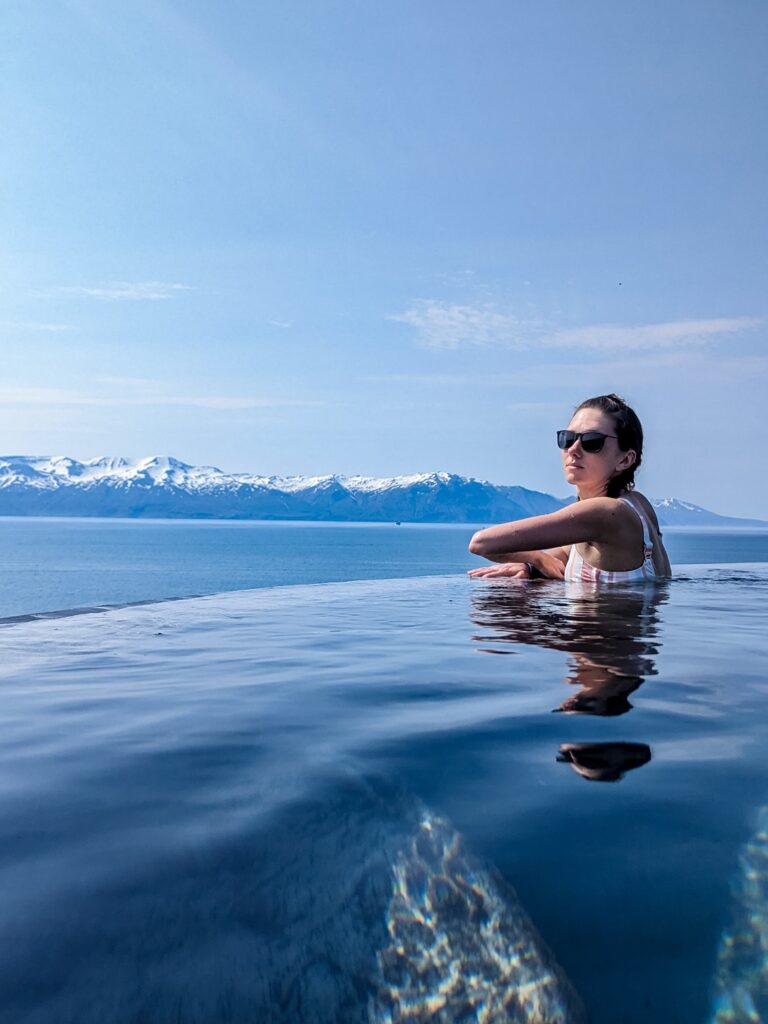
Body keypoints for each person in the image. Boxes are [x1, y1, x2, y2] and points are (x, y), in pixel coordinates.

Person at [468, 393, 671, 581]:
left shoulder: (608, 513)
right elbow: (567, 553)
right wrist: (530, 565)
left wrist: (537, 558)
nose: (573, 450)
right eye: (568, 438)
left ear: (626, 459)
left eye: (592, 442)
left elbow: (482, 543)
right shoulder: (638, 505)